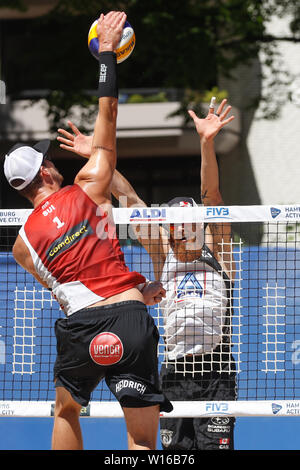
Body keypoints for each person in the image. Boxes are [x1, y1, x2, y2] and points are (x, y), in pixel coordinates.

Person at [3, 11, 172, 451]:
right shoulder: (89, 186)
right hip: (128, 318)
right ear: (47, 170)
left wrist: (133, 289)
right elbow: (109, 113)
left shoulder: (22, 247)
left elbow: (71, 288)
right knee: (140, 443)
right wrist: (108, 54)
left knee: (65, 410)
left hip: (80, 326)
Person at [57, 99, 236, 450]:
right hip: (172, 371)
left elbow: (211, 195)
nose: (184, 230)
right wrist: (96, 155)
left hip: (217, 372)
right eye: (177, 225)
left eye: (190, 224)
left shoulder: (219, 251)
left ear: (200, 225)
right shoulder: (162, 254)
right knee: (170, 453)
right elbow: (128, 197)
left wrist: (206, 142)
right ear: (168, 229)